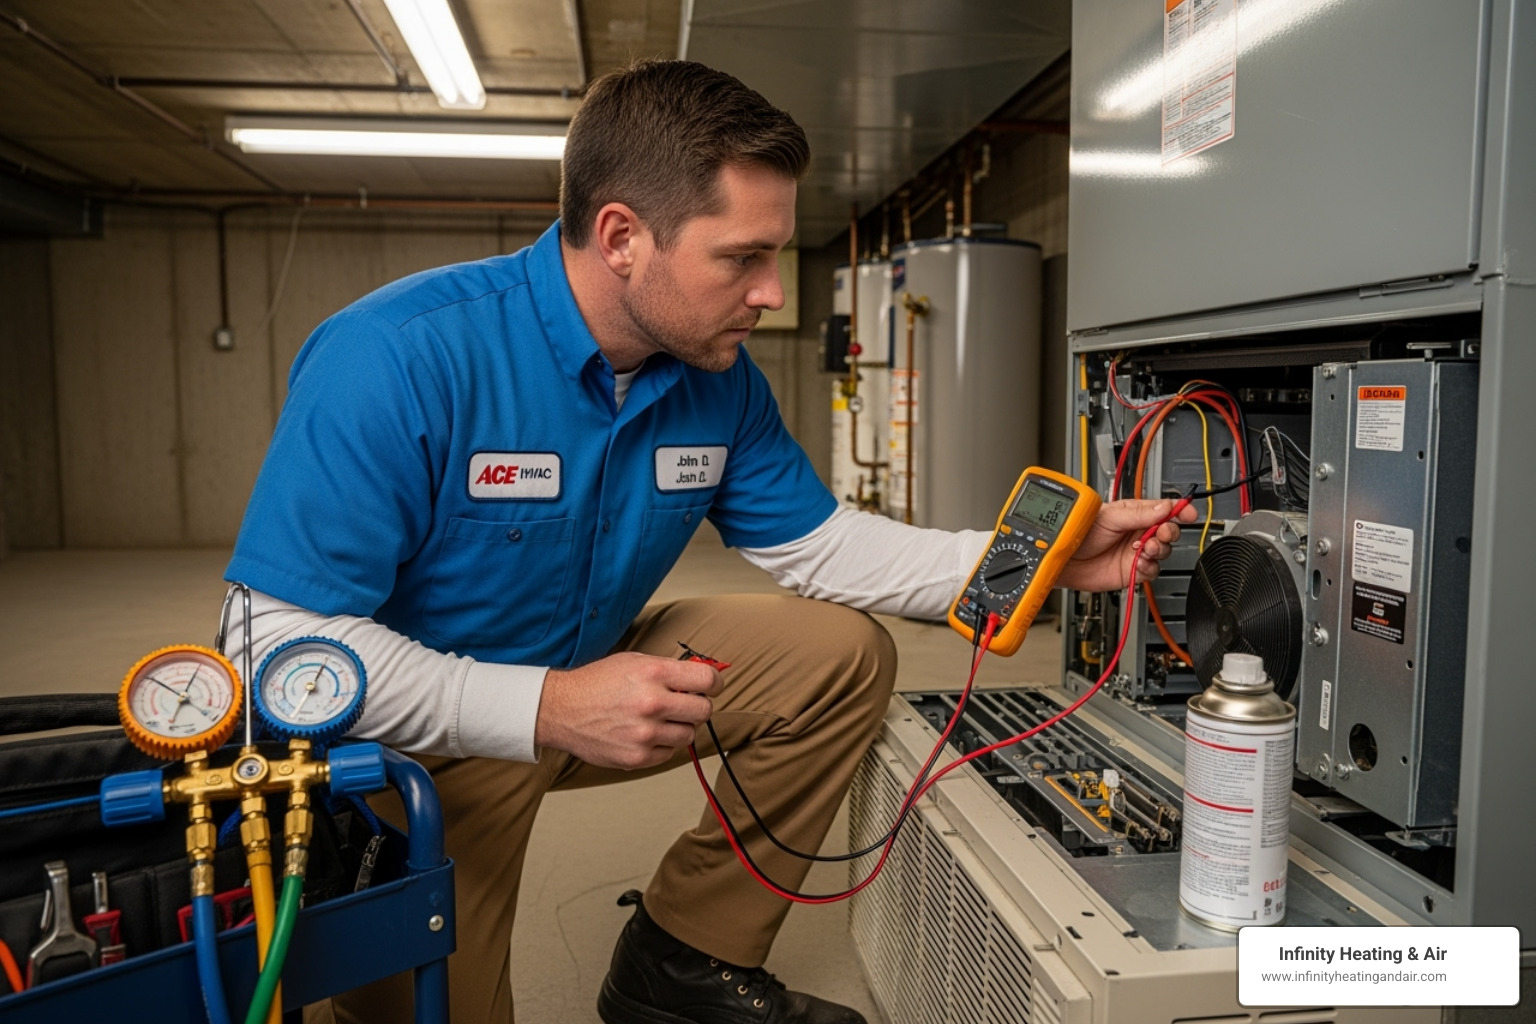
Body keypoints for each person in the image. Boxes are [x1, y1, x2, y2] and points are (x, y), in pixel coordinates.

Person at [227, 60, 1193, 1024]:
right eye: (742, 257)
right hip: (412, 746)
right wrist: (546, 708)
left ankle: (683, 960)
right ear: (621, 238)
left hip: (595, 673)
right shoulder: (398, 356)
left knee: (838, 656)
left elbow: (821, 548)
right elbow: (271, 649)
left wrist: (1045, 558)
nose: (774, 292)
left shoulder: (715, 377)